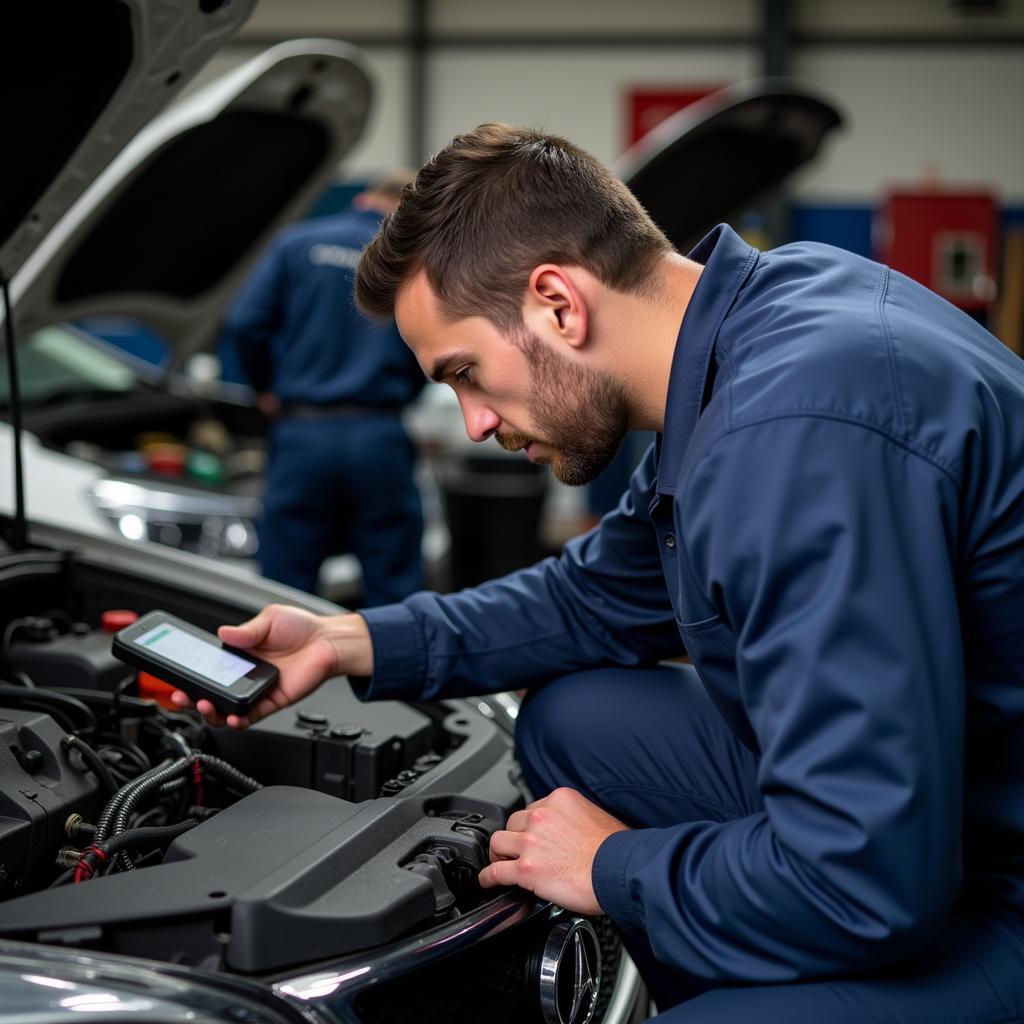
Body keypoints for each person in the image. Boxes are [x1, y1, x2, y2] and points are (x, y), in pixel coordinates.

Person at [177, 125, 1024, 1021]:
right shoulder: (756, 323)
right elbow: (593, 598)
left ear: (556, 303)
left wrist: (610, 867)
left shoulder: (794, 437)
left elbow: (866, 880)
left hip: (982, 881)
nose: (469, 422)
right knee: (579, 716)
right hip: (948, 803)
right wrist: (351, 638)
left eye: (466, 374)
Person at [220, 172, 426, 606]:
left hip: (303, 434)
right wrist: (401, 395)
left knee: (283, 588)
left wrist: (265, 387)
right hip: (379, 435)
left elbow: (244, 322)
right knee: (393, 584)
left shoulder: (297, 243)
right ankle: (390, 672)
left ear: (366, 197)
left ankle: (282, 671)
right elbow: (429, 343)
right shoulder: (410, 262)